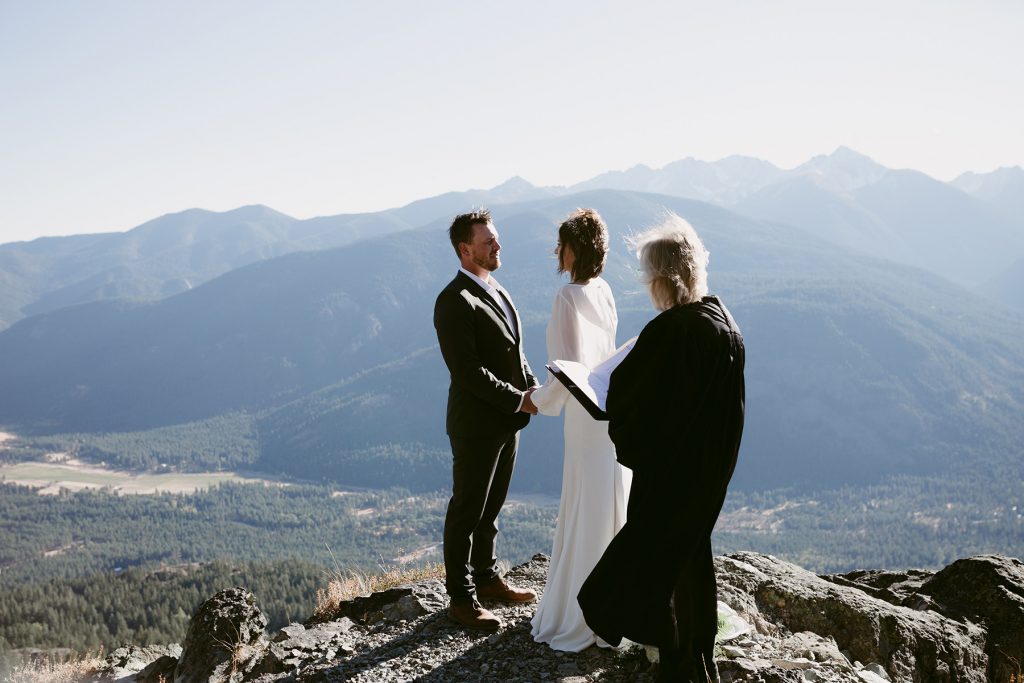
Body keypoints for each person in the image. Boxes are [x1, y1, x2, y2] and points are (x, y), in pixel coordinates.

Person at [577, 213, 745, 683]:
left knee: (659, 574)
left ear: (664, 279)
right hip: (706, 477)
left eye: (648, 276)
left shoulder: (671, 332)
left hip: (669, 478)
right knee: (693, 562)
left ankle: (677, 666)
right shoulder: (724, 323)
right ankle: (697, 660)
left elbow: (633, 403)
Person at [529, 208, 632, 652]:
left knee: (582, 506)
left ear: (575, 249)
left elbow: (564, 373)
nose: (557, 251)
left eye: (562, 243)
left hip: (582, 416)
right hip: (609, 412)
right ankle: (618, 606)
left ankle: (579, 613)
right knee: (607, 504)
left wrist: (534, 400)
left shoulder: (567, 297)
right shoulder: (605, 290)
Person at [434, 208, 541, 632]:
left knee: (491, 508)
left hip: (506, 422)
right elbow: (468, 372)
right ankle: (461, 598)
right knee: (467, 510)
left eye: (496, 239)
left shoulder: (496, 288)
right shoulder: (453, 301)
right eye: (488, 242)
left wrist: (531, 387)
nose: (498, 246)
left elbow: (515, 350)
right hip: (477, 425)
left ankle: (487, 577)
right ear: (465, 249)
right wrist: (518, 399)